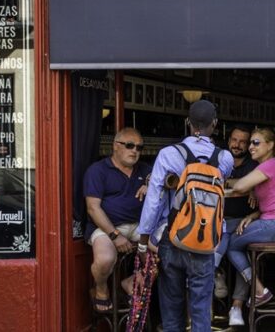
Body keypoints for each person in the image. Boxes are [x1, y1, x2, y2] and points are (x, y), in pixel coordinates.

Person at [136, 100, 234, 332]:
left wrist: (143, 242)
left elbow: (153, 199)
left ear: (188, 123)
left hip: (173, 236)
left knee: (172, 308)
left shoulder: (168, 154)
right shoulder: (225, 159)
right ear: (215, 124)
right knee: (201, 309)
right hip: (206, 240)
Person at [225, 128, 275, 314]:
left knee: (233, 243)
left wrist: (226, 186)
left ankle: (258, 290)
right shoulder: (270, 166)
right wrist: (252, 215)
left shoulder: (269, 165)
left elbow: (240, 186)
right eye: (250, 143)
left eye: (255, 143)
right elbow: (272, 201)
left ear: (270, 145)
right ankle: (225, 282)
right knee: (225, 226)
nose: (250, 147)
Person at [84, 127, 151, 313]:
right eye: (130, 146)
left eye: (139, 147)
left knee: (167, 252)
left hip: (139, 226)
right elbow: (93, 208)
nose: (135, 151)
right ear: (115, 146)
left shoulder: (145, 169)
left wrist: (152, 183)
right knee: (105, 259)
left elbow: (171, 178)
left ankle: (131, 281)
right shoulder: (98, 170)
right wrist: (115, 235)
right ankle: (101, 288)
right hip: (107, 227)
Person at [214, 125, 258, 326]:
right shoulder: (219, 159)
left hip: (245, 220)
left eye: (242, 141)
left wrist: (247, 185)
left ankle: (216, 273)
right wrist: (243, 184)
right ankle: (235, 307)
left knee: (231, 240)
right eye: (234, 140)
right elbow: (210, 180)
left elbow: (256, 183)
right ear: (228, 139)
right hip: (219, 220)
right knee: (226, 237)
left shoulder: (254, 164)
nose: (237, 145)